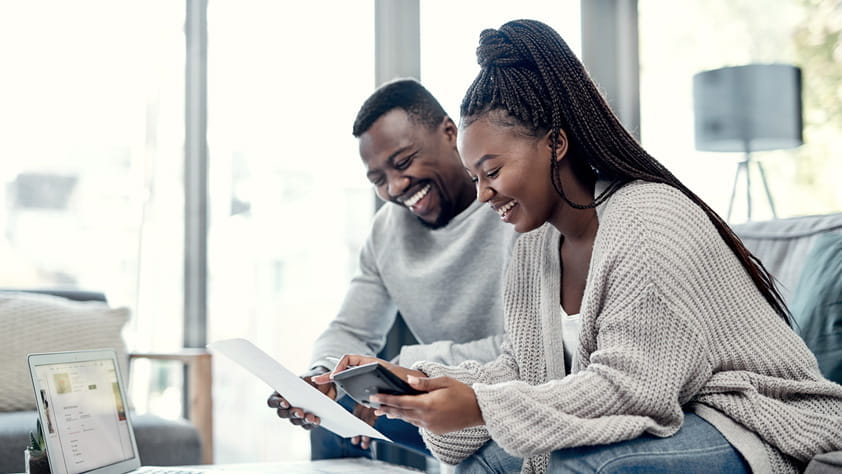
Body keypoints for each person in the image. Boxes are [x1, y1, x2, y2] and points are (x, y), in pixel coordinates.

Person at [317, 19, 842, 474]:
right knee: (489, 460)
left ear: (556, 143)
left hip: (749, 419)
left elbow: (634, 388)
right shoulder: (534, 245)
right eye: (476, 176)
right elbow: (521, 368)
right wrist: (424, 381)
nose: (482, 194)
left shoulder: (649, 219)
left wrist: (481, 406)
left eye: (493, 171)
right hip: (674, 411)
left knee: (576, 467)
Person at [266, 78, 518, 460]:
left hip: (503, 396)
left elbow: (527, 349)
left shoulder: (512, 206)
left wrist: (405, 370)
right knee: (333, 413)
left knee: (379, 399)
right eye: (378, 180)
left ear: (450, 133)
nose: (396, 186)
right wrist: (320, 379)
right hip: (429, 392)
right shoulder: (386, 231)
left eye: (403, 162)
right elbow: (351, 329)